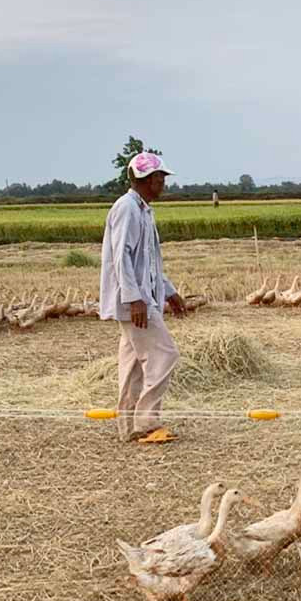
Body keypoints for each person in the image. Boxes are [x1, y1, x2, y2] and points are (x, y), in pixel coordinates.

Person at [99, 151, 187, 444]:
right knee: (165, 354)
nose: (163, 183)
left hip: (141, 298)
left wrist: (169, 290)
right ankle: (147, 422)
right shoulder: (127, 209)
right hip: (136, 303)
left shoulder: (143, 210)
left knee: (134, 364)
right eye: (160, 177)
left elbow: (148, 262)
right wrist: (134, 298)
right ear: (147, 179)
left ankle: (128, 426)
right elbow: (121, 257)